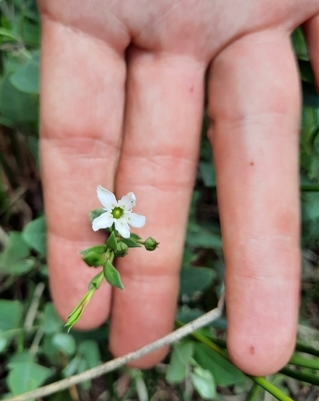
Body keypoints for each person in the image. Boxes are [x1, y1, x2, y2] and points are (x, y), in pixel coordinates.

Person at [36, 0, 319, 376]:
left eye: (118, 211)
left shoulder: (118, 216)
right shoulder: (113, 216)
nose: (116, 212)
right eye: (116, 211)